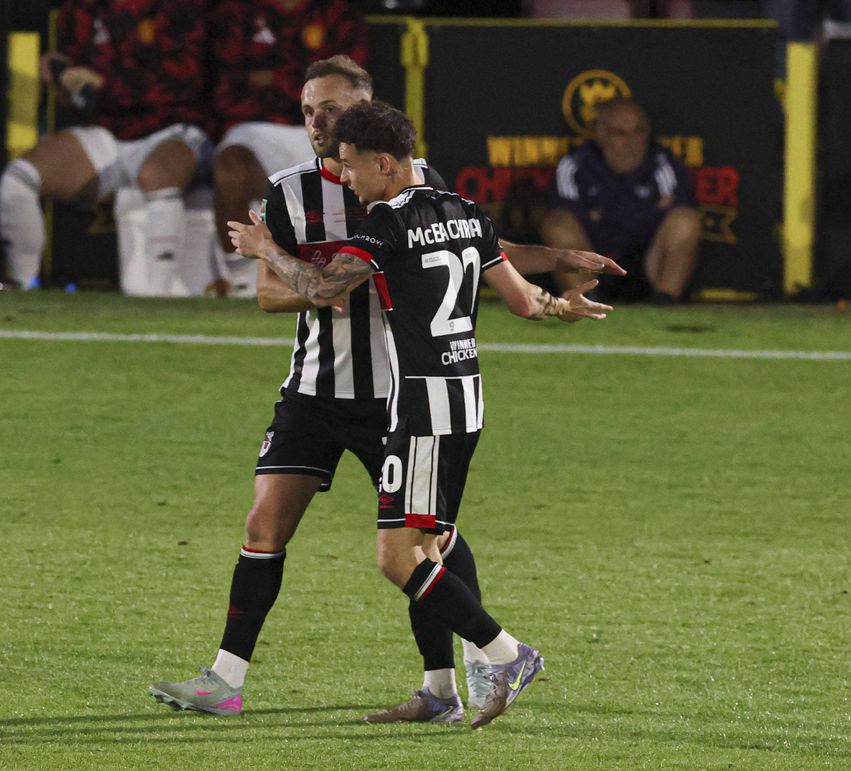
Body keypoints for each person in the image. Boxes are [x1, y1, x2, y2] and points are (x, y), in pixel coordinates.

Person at [148, 57, 623, 722]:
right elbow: (269, 295)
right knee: (266, 524)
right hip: (315, 389)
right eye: (310, 110)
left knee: (426, 546)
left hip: (398, 395)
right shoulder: (287, 192)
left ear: (369, 123)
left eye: (333, 111)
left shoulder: (415, 192)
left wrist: (547, 267)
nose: (318, 123)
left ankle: (449, 682)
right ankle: (226, 679)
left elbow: (480, 245)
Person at [0, 0, 209, 289]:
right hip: (107, 130)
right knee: (17, 180)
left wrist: (103, 84)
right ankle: (23, 284)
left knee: (156, 175)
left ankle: (159, 295)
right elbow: (77, 99)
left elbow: (186, 83)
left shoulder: (179, 8)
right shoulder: (81, 10)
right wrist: (61, 77)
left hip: (173, 128)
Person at [207, 0, 368, 296]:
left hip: (333, 128)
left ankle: (370, 270)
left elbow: (351, 81)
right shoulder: (239, 10)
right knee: (230, 166)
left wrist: (270, 79)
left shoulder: (336, 10)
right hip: (258, 128)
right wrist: (296, 83)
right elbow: (225, 88)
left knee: (371, 173)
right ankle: (241, 278)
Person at [541, 98, 701, 304]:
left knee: (686, 220)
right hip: (594, 266)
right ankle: (585, 303)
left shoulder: (663, 162)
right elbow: (563, 219)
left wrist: (600, 214)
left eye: (639, 131)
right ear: (600, 136)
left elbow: (679, 214)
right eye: (620, 133)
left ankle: (665, 304)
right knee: (557, 224)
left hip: (649, 265)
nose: (631, 141)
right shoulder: (574, 165)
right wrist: (647, 210)